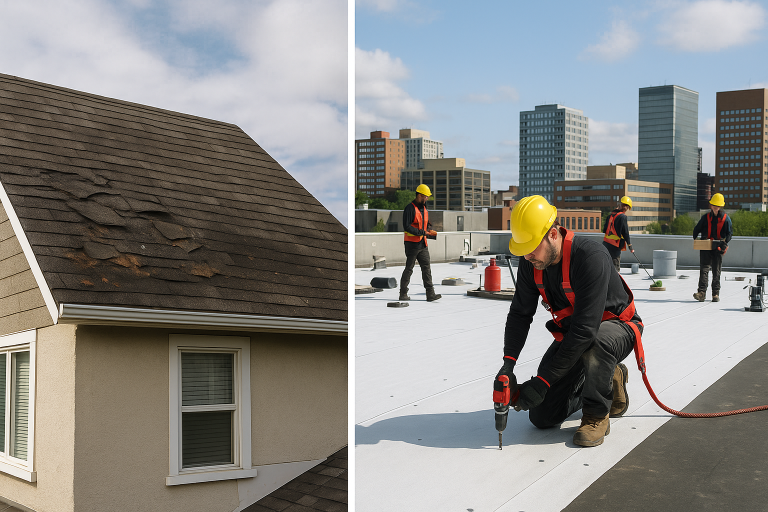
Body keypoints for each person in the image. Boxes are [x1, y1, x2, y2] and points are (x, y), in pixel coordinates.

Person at [496, 195, 643, 447]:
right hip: (575, 334)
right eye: (524, 249)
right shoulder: (531, 262)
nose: (528, 256)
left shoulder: (589, 257)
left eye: (532, 247)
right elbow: (520, 314)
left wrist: (543, 380)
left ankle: (597, 414)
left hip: (616, 329)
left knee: (596, 342)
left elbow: (586, 331)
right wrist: (508, 364)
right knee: (542, 416)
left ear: (553, 234)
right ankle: (607, 376)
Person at [399, 184, 441, 302]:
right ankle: (403, 293)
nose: (427, 198)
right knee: (409, 268)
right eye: (425, 196)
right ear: (419, 195)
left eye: (427, 197)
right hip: (412, 244)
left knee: (426, 268)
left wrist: (428, 228)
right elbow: (407, 227)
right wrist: (422, 232)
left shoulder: (424, 208)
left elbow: (423, 222)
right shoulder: (410, 208)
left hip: (423, 243)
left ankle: (430, 294)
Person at [692, 193, 732, 303]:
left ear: (720, 206)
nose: (715, 207)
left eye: (717, 205)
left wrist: (725, 243)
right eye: (714, 205)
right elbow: (697, 229)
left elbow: (729, 233)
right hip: (706, 246)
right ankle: (701, 293)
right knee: (704, 270)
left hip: (718, 247)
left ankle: (715, 294)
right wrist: (695, 239)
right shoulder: (705, 218)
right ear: (711, 205)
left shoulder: (726, 219)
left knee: (716, 271)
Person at [602, 196, 634, 272]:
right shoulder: (623, 217)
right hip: (615, 245)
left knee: (606, 265)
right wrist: (630, 246)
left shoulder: (610, 215)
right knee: (615, 268)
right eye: (625, 206)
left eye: (627, 206)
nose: (626, 208)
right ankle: (615, 283)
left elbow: (604, 229)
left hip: (605, 243)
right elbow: (625, 232)